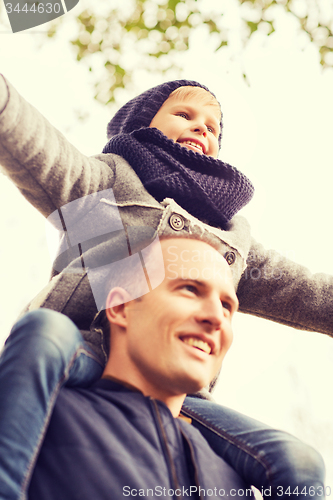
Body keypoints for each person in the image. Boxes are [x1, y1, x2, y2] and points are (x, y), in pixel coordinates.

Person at [0, 76, 328, 499]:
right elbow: (35, 144)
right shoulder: (105, 190)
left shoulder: (229, 240)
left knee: (299, 462)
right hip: (84, 348)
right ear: (142, 126)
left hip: (181, 391)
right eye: (185, 114)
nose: (202, 128)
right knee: (42, 333)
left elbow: (304, 291)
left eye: (213, 127)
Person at [23, 237, 320, 498]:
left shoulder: (237, 483)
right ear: (120, 307)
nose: (217, 318)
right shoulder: (39, 417)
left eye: (228, 307)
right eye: (190, 289)